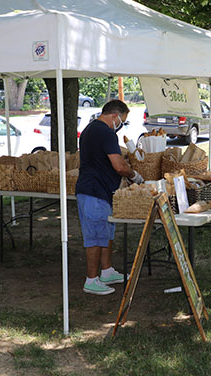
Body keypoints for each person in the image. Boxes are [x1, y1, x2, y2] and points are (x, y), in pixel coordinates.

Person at [75, 99, 144, 295]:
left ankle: (106, 272)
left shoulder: (91, 128)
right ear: (114, 116)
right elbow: (119, 166)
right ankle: (91, 280)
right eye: (121, 120)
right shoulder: (105, 132)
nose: (121, 125)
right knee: (95, 237)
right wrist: (135, 176)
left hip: (102, 191)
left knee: (106, 233)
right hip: (94, 192)